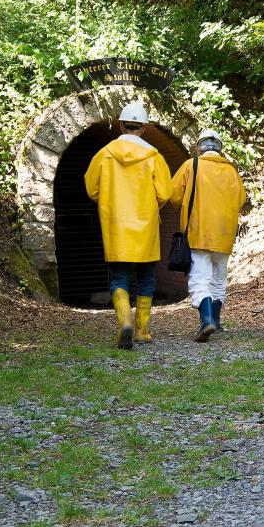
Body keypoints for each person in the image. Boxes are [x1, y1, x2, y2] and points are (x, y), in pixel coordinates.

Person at [84, 101, 172, 349]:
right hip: (145, 226)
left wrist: (109, 201)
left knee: (118, 277)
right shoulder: (154, 156)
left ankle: (124, 323)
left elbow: (92, 188)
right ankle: (142, 330)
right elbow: (164, 193)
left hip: (115, 225)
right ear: (143, 128)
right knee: (146, 277)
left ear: (121, 125)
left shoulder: (104, 154)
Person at [170, 129, 246, 342]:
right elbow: (240, 200)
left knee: (200, 278)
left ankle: (206, 321)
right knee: (219, 279)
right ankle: (217, 320)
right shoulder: (231, 171)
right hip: (224, 233)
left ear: (199, 147)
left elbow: (174, 196)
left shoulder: (190, 166)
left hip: (198, 231)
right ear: (220, 148)